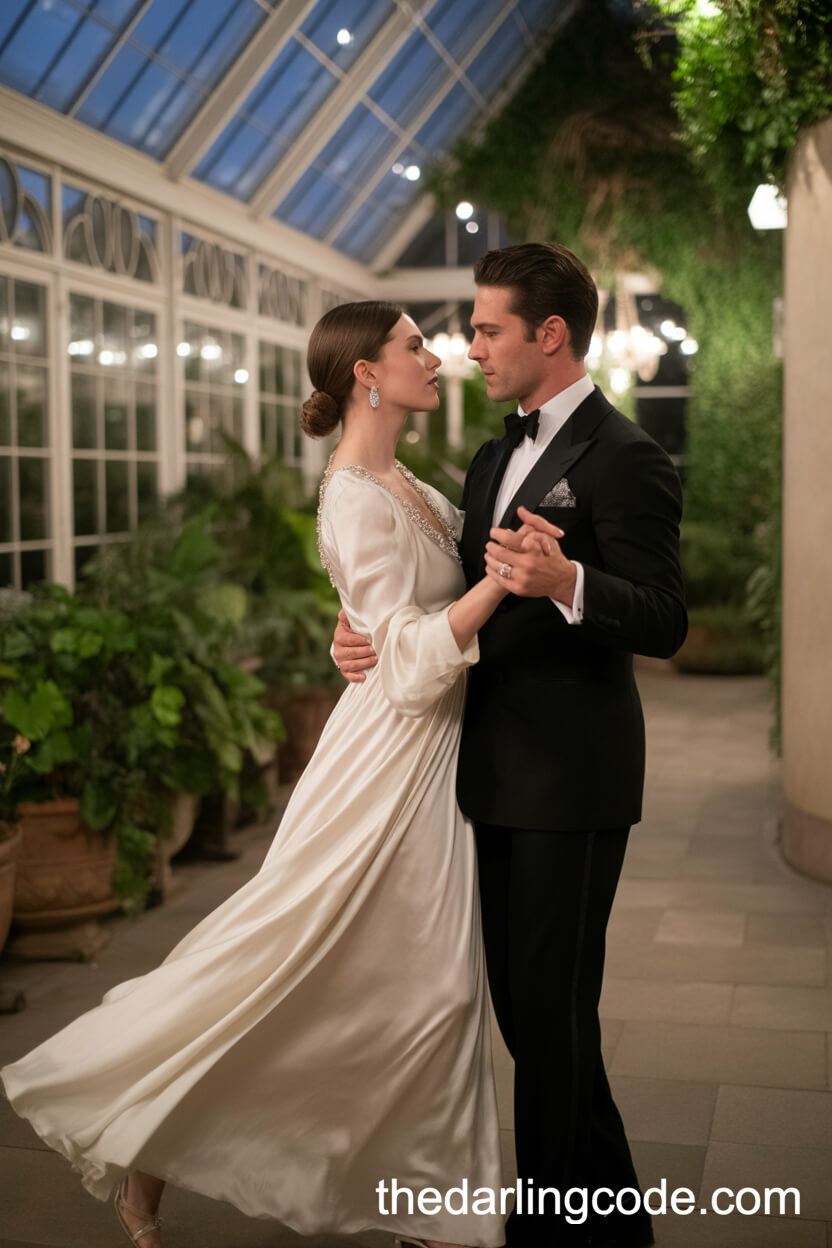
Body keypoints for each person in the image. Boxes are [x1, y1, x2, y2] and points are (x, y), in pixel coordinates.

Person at [1, 302, 514, 1248]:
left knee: (429, 989)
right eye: (413, 346)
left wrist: (367, 620)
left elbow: (381, 616)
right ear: (366, 372)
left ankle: (431, 1208)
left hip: (434, 759)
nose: (436, 356)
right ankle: (146, 1139)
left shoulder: (402, 477)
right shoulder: (357, 493)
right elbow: (401, 650)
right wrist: (500, 583)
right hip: (385, 763)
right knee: (295, 964)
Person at [333, 243, 688, 1248]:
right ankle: (614, 1226)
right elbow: (435, 588)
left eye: (488, 329)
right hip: (484, 769)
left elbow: (663, 615)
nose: (471, 347)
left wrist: (569, 583)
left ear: (550, 334)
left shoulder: (628, 458)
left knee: (549, 1015)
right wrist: (357, 627)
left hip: (572, 779)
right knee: (536, 1021)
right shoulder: (494, 454)